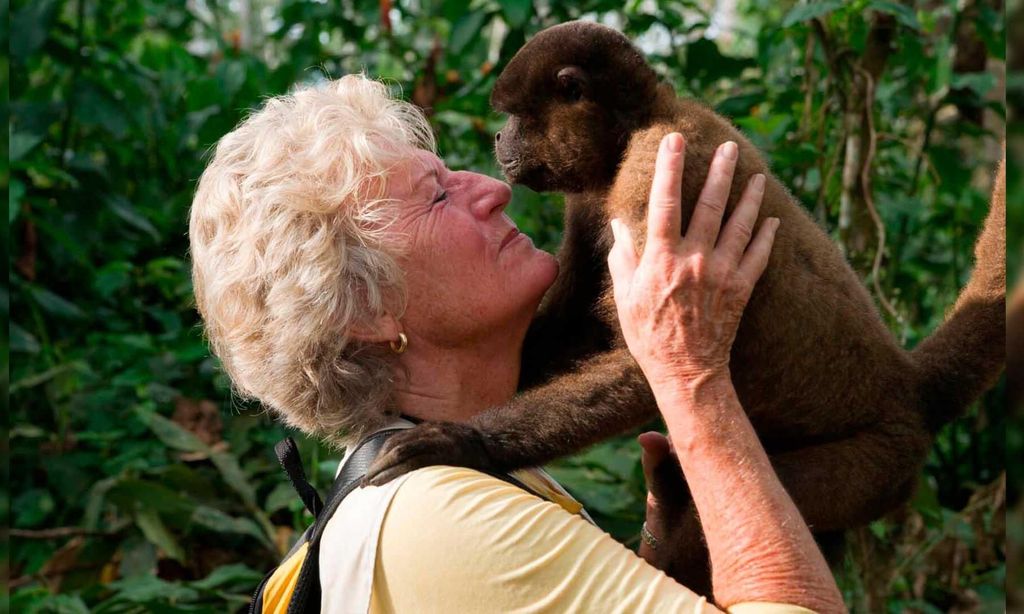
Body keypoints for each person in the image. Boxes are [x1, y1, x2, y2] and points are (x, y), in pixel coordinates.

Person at [189, 74, 845, 613]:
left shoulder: (461, 481)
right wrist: (689, 371)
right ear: (368, 307)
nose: (495, 188)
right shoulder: (433, 519)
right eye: (438, 194)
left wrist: (668, 550)